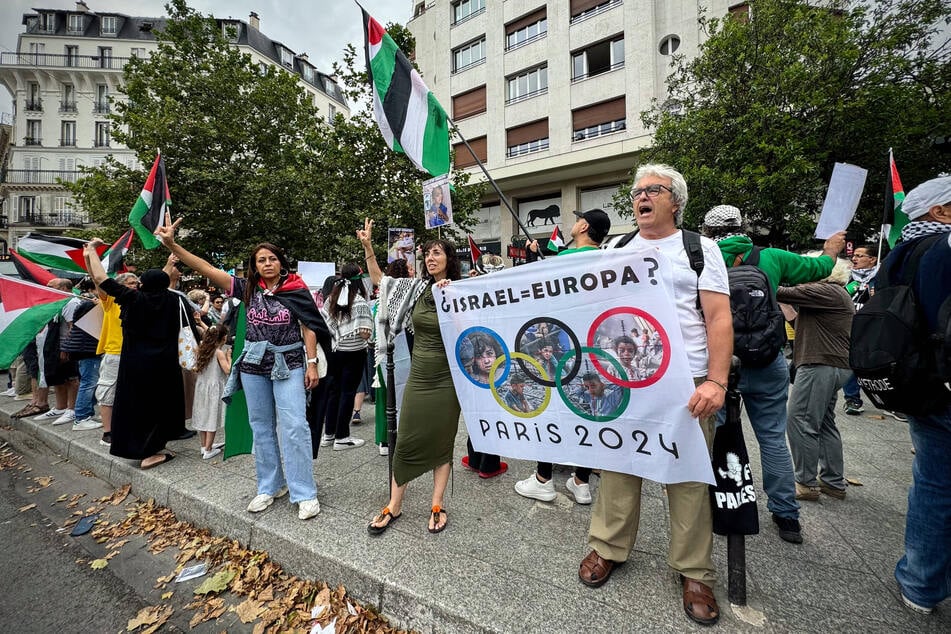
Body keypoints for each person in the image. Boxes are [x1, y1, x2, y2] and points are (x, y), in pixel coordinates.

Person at [579, 164, 732, 627]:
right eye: (637, 191)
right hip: (628, 383)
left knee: (687, 480)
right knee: (619, 468)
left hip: (687, 385)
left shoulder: (700, 250)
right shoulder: (617, 249)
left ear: (675, 202)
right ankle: (608, 547)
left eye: (652, 190)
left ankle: (694, 571)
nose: (641, 197)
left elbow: (719, 319)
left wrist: (716, 382)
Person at [157, 219, 331, 521]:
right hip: (253, 365)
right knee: (261, 426)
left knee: (294, 426)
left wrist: (312, 362)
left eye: (272, 258)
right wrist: (172, 246)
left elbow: (309, 326)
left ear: (281, 262)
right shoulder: (246, 288)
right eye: (261, 260)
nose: (267, 263)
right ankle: (270, 486)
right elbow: (205, 268)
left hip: (289, 364)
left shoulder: (296, 289)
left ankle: (304, 491)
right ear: (254, 265)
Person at [702, 203, 845, 544]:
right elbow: (821, 267)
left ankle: (720, 504)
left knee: (718, 437)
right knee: (771, 437)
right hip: (768, 362)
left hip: (718, 365)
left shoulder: (700, 258)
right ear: (743, 227)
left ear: (707, 230)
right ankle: (786, 516)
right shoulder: (774, 257)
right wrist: (830, 250)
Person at [360, 218, 461, 535]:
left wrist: (453, 298)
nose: (431, 259)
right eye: (427, 254)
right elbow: (382, 282)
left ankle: (436, 503)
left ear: (449, 260)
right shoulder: (417, 289)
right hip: (420, 377)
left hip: (448, 380)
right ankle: (395, 504)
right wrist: (368, 248)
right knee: (404, 440)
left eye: (437, 253)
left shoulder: (461, 290)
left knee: (442, 443)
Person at [882, 176, 951, 615]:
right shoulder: (943, 251)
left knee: (933, 482)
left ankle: (919, 583)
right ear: (940, 212)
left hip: (915, 383)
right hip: (943, 378)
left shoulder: (898, 254)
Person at [515, 209, 612, 506]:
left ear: (583, 226)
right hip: (596, 352)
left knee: (553, 413)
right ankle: (581, 482)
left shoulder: (562, 263)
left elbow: (535, 295)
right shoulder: (610, 262)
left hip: (563, 351)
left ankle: (544, 479)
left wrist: (534, 262)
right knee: (588, 411)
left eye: (577, 219)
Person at [83, 240, 184, 470]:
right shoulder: (173, 299)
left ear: (142, 284)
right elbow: (161, 280)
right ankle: (153, 449)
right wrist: (169, 262)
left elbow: (101, 279)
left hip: (136, 364)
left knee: (137, 407)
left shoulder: (133, 299)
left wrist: (91, 253)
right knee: (160, 407)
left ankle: (144, 451)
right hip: (166, 364)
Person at [777, 256, 854, 501]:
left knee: (800, 420)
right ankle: (833, 481)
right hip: (834, 364)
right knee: (824, 422)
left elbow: (776, 288)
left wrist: (768, 270)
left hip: (820, 364)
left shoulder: (824, 290)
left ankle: (806, 482)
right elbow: (800, 323)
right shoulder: (834, 294)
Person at [318, 263, 373, 452]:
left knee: (333, 392)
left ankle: (328, 434)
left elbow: (326, 323)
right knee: (348, 392)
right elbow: (365, 333)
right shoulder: (359, 302)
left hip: (333, 351)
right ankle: (342, 436)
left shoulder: (331, 299)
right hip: (354, 353)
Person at [191, 324, 230, 460]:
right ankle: (208, 450)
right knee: (212, 418)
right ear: (224, 338)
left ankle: (204, 446)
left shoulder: (201, 348)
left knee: (203, 416)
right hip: (214, 390)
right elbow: (228, 370)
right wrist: (229, 357)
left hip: (201, 388)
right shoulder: (219, 353)